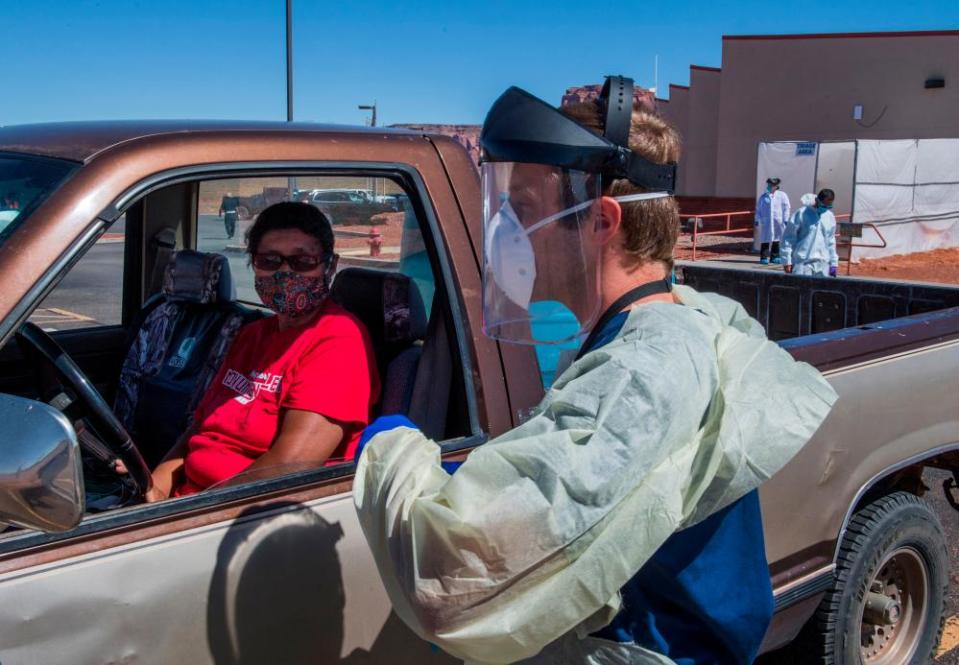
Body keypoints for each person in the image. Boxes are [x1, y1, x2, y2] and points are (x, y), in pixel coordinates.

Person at [353, 77, 837, 665]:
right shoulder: (671, 321)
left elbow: (457, 578)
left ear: (602, 222)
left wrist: (389, 450)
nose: (504, 227)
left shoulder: (643, 372)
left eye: (523, 207)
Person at [147, 202, 380, 499]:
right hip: (192, 500)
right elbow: (199, 430)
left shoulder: (338, 339)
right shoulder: (251, 335)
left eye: (303, 261)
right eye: (270, 261)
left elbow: (292, 465)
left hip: (243, 515)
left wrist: (190, 512)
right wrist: (156, 487)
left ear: (329, 266)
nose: (285, 272)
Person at [782, 190, 839, 277]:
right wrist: (787, 260)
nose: (825, 208)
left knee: (821, 290)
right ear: (817, 200)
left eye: (829, 206)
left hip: (823, 263)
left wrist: (834, 263)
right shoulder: (801, 214)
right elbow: (788, 238)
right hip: (802, 263)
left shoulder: (829, 217)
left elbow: (831, 241)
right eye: (824, 205)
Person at [755, 177, 790, 264]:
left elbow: (786, 207)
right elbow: (758, 209)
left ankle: (775, 257)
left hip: (778, 221)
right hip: (767, 222)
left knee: (776, 239)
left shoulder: (782, 195)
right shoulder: (763, 196)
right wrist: (757, 219)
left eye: (771, 185)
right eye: (769, 184)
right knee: (765, 239)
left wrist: (786, 219)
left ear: (776, 186)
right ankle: (764, 257)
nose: (769, 186)